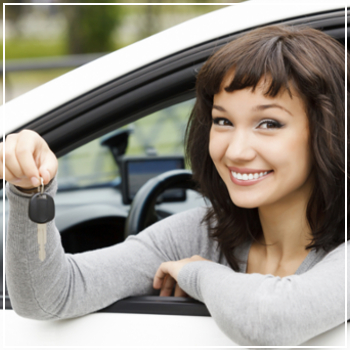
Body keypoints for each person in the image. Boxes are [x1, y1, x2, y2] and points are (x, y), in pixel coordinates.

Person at [2, 25, 348, 346]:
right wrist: (29, 189)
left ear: (328, 130)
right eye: (223, 120)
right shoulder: (199, 235)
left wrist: (196, 273)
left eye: (269, 123)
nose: (236, 151)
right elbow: (48, 297)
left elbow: (273, 319)